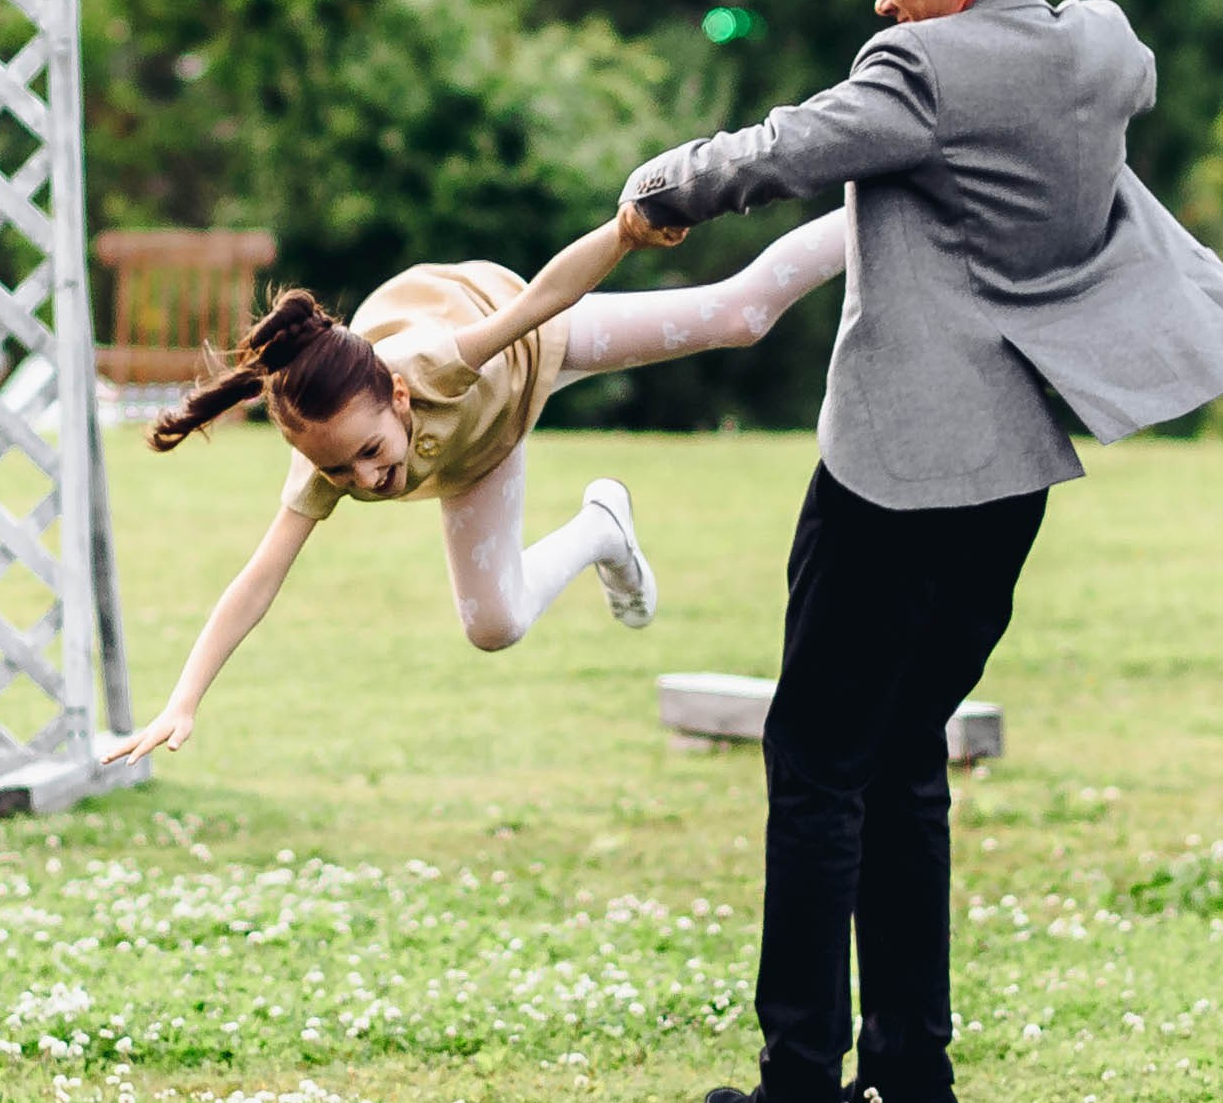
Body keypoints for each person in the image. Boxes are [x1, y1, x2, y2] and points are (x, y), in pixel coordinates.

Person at [612, 0, 1223, 1103]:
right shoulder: (1098, 53)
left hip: (891, 468)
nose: (877, 4)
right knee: (900, 754)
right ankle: (912, 1084)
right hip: (1010, 473)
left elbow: (782, 149)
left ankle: (798, 1093)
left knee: (813, 758)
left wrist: (660, 186)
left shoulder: (923, 71)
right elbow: (1116, 65)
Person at [100, 206, 850, 764]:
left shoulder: (430, 363)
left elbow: (540, 302)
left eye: (366, 452)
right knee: (493, 625)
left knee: (741, 313)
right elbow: (257, 580)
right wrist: (183, 699)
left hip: (530, 348)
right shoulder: (323, 459)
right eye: (339, 471)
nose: (364, 480)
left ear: (397, 398)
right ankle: (601, 529)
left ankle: (873, 200)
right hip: (478, 449)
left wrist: (622, 235)